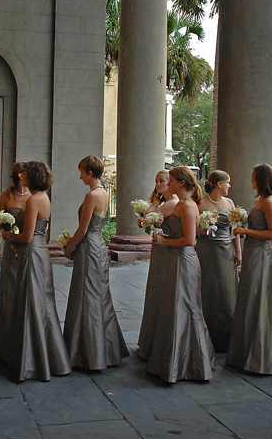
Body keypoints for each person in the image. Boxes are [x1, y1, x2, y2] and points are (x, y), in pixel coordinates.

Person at [0, 161, 71, 381]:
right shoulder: (44, 198)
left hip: (30, 252)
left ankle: (31, 358)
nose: (23, 176)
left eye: (26, 174)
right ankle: (48, 355)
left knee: (29, 302)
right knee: (42, 302)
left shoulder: (32, 200)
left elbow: (27, 236)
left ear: (32, 177)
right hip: (41, 253)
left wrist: (10, 237)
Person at [62, 156, 129, 370]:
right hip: (98, 245)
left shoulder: (92, 195)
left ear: (90, 173)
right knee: (98, 295)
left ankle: (88, 352)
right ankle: (104, 350)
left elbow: (82, 230)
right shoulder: (104, 193)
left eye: (82, 172)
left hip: (89, 247)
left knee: (87, 296)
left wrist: (69, 247)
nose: (80, 176)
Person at [149, 166, 214, 383]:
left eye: (173, 181)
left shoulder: (187, 206)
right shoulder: (183, 204)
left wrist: (165, 241)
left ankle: (187, 363)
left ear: (181, 184)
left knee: (185, 306)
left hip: (184, 259)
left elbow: (189, 240)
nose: (170, 184)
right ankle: (175, 359)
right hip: (177, 259)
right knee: (175, 306)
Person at [227, 164, 272, 375]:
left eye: (253, 177)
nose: (251, 181)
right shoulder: (259, 200)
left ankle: (262, 356)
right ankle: (245, 352)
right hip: (252, 253)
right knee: (249, 299)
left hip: (262, 255)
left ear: (261, 179)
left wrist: (245, 230)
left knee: (260, 299)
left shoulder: (271, 202)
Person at [195, 170, 241, 353]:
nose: (230, 186)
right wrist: (203, 229)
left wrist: (239, 251)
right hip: (207, 250)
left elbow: (235, 227)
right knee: (208, 289)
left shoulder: (229, 203)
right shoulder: (201, 203)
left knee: (227, 289)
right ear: (219, 184)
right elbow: (192, 227)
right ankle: (207, 334)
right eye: (228, 183)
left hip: (226, 251)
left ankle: (227, 336)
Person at [136, 170, 178, 360]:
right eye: (156, 181)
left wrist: (151, 206)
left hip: (167, 251)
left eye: (162, 181)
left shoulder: (171, 203)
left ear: (171, 183)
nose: (158, 185)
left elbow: (147, 219)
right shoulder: (164, 203)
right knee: (156, 290)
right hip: (160, 250)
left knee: (161, 289)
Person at [0, 162, 28, 349]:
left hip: (26, 248)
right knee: (9, 288)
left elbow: (43, 224)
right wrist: (6, 235)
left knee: (26, 288)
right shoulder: (6, 195)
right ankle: (3, 335)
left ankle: (24, 333)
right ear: (20, 175)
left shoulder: (34, 196)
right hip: (10, 248)